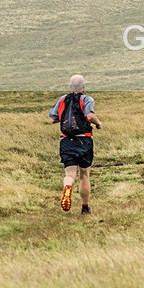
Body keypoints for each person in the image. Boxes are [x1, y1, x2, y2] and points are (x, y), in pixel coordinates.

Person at [49, 75, 103, 215]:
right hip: (83, 140)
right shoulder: (87, 99)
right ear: (83, 87)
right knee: (84, 174)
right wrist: (98, 124)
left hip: (67, 141)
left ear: (70, 87)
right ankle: (85, 207)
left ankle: (67, 186)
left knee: (70, 173)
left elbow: (52, 118)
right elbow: (90, 116)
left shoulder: (62, 99)